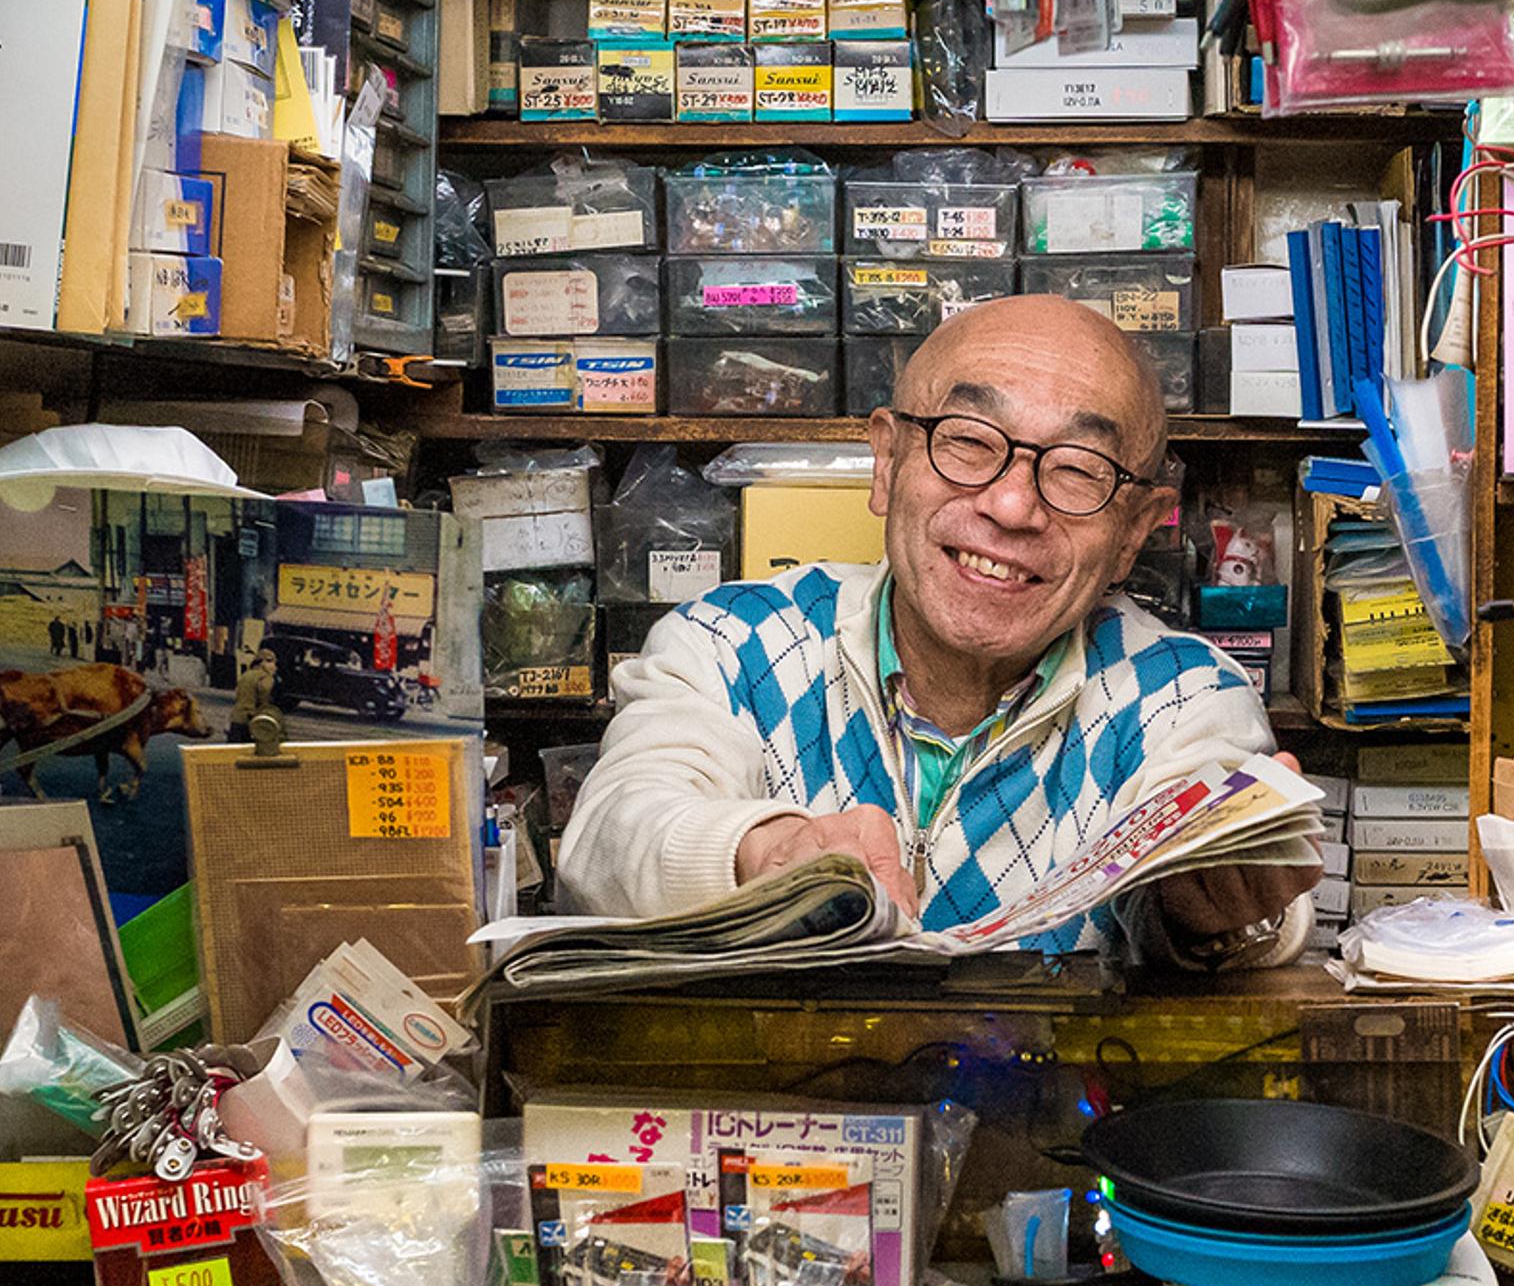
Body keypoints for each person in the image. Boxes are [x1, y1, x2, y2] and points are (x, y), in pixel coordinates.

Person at [559, 293, 1320, 967]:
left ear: (1134, 531)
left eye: (1079, 468)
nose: (1013, 507)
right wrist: (764, 851)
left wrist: (1210, 915)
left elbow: (1240, 877)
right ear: (886, 460)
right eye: (968, 440)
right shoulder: (733, 642)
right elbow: (612, 835)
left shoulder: (1183, 696)